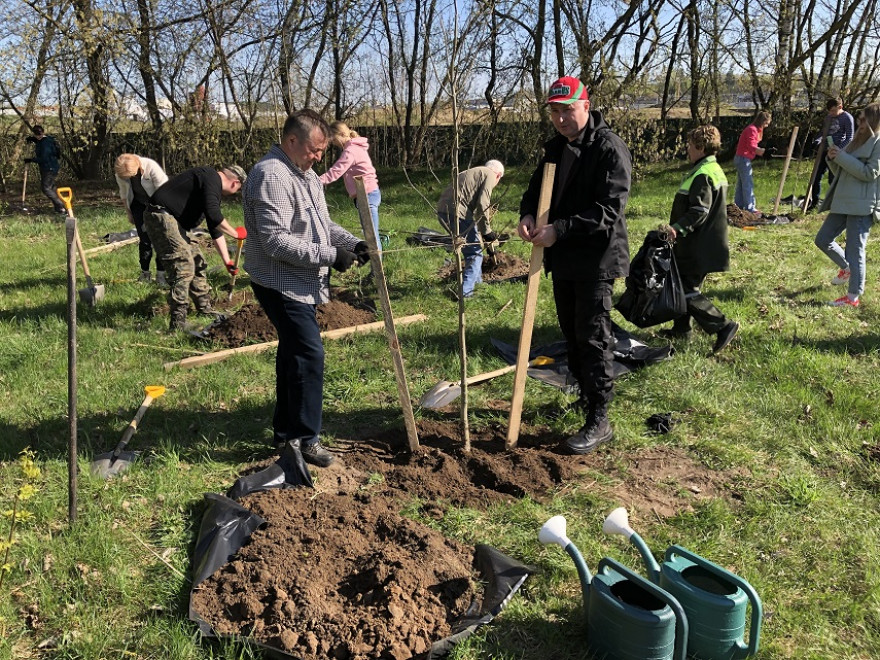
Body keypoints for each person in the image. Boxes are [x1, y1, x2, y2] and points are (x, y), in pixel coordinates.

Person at [243, 109, 368, 468]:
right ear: (292, 140)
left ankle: (285, 432)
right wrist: (331, 256)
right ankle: (305, 439)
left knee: (295, 352)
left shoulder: (306, 174)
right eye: (314, 150)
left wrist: (352, 242)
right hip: (279, 282)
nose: (318, 157)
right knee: (309, 355)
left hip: (301, 280)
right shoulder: (270, 175)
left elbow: (320, 222)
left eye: (321, 151)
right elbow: (275, 242)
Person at [517, 76, 631, 455]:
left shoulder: (608, 149)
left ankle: (600, 418)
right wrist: (529, 215)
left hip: (596, 259)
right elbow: (534, 191)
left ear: (586, 105)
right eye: (555, 111)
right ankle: (585, 396)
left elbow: (609, 209)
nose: (562, 119)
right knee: (571, 332)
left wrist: (560, 229)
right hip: (563, 258)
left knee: (593, 336)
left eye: (568, 110)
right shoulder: (554, 148)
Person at [662, 125, 739, 353]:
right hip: (706, 243)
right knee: (682, 284)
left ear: (701, 147)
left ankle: (723, 326)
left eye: (690, 145)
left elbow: (699, 211)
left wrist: (676, 229)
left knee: (686, 289)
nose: (687, 149)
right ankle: (681, 330)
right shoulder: (712, 168)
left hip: (697, 245)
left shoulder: (703, 174)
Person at [143, 165, 248, 331]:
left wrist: (227, 261)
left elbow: (214, 226)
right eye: (239, 189)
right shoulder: (211, 178)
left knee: (197, 261)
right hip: (161, 216)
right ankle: (178, 323)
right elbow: (214, 215)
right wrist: (235, 234)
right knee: (183, 266)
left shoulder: (210, 185)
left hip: (175, 222)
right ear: (235, 183)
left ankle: (204, 308)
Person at [814, 103, 880, 308]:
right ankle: (846, 268)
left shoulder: (878, 143)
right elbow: (844, 170)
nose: (859, 123)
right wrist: (834, 159)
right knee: (823, 239)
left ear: (872, 121)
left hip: (861, 206)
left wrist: (841, 157)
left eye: (862, 119)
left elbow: (870, 173)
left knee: (855, 251)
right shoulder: (857, 141)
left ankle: (852, 297)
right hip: (843, 201)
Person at [436, 160, 505, 298]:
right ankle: (465, 293)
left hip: (443, 211)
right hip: (457, 213)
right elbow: (483, 204)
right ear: (498, 175)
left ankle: (478, 285)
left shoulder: (475, 172)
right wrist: (487, 232)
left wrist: (484, 234)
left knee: (473, 249)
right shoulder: (490, 175)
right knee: (474, 253)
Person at [319, 121, 382, 251]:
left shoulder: (351, 151)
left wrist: (316, 181)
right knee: (370, 232)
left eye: (334, 139)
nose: (333, 143)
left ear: (342, 134)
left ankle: (377, 270)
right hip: (365, 194)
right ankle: (375, 268)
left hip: (367, 195)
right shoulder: (355, 148)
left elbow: (336, 171)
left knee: (371, 234)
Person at [114, 154, 169, 286]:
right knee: (145, 240)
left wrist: (163, 215)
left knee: (161, 240)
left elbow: (165, 192)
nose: (127, 179)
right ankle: (145, 274)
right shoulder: (121, 172)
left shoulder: (151, 167)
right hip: (138, 205)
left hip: (158, 205)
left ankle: (161, 275)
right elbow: (123, 193)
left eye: (130, 176)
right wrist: (129, 213)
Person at [808, 97, 855, 211]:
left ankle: (836, 204)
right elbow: (823, 133)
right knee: (816, 177)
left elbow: (849, 138)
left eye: (833, 111)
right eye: (830, 111)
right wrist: (817, 141)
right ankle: (814, 203)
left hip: (837, 154)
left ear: (840, 107)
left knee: (832, 180)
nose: (831, 113)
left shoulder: (847, 118)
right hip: (824, 151)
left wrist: (837, 149)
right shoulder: (828, 117)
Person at [733, 111, 772, 213]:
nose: (767, 126)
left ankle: (738, 205)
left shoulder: (755, 129)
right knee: (747, 183)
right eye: (766, 123)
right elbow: (751, 146)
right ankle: (750, 208)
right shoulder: (752, 129)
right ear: (762, 121)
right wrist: (763, 152)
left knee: (741, 184)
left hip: (741, 158)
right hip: (742, 159)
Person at [24, 125, 65, 214]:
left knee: (46, 188)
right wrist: (33, 140)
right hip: (51, 167)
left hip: (49, 168)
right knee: (52, 188)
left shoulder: (44, 144)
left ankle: (61, 206)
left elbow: (44, 158)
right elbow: (42, 142)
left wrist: (31, 160)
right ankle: (59, 209)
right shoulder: (47, 139)